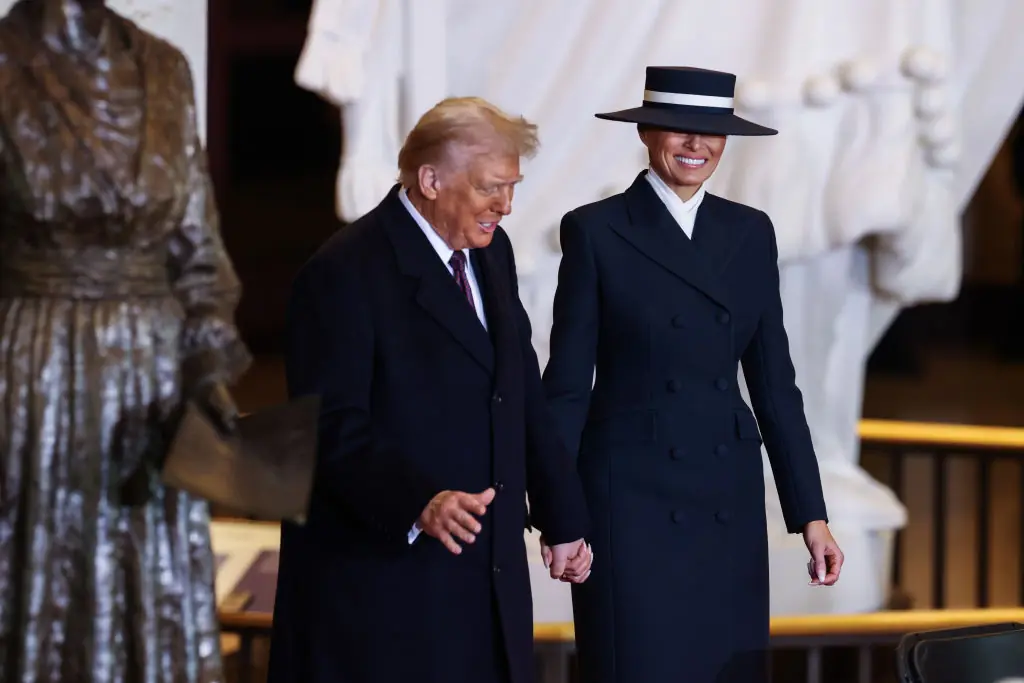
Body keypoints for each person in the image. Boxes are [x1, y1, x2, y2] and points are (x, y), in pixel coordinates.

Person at [268, 96, 593, 683]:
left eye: (513, 187)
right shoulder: (344, 272)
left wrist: (562, 516)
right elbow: (327, 424)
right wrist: (420, 499)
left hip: (485, 583)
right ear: (431, 180)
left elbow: (518, 391)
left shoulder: (492, 255)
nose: (507, 206)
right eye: (492, 188)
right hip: (387, 591)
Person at [541, 66, 845, 683]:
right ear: (648, 132)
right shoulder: (596, 230)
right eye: (680, 129)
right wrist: (558, 514)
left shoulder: (750, 232)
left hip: (724, 498)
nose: (695, 145)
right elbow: (569, 384)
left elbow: (775, 385)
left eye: (711, 132)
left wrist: (810, 513)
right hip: (628, 500)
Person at [0, 1, 249, 681]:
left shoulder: (164, 69)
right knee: (42, 567)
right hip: (32, 365)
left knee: (149, 576)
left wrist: (206, 375)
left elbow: (197, 249)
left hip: (150, 370)